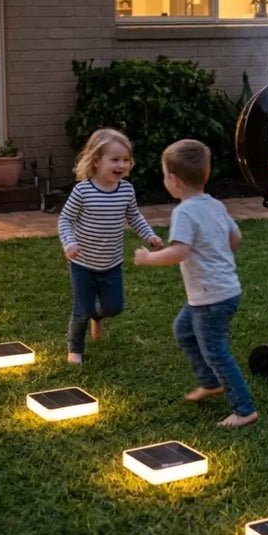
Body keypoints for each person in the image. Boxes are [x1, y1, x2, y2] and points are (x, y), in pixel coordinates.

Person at [134, 139, 258, 428]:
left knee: (217, 351)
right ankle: (210, 382)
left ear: (173, 180)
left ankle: (244, 409)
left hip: (210, 297)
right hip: (224, 290)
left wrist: (148, 259)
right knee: (184, 329)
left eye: (165, 174)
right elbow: (236, 239)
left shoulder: (184, 212)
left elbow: (179, 251)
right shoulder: (215, 205)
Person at [58, 127, 163, 364]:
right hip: (82, 263)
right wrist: (69, 243)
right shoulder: (83, 190)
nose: (122, 165)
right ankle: (75, 348)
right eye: (115, 159)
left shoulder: (126, 189)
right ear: (96, 161)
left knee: (114, 307)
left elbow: (134, 216)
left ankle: (98, 315)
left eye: (126, 160)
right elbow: (65, 219)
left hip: (111, 264)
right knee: (81, 309)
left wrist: (150, 236)